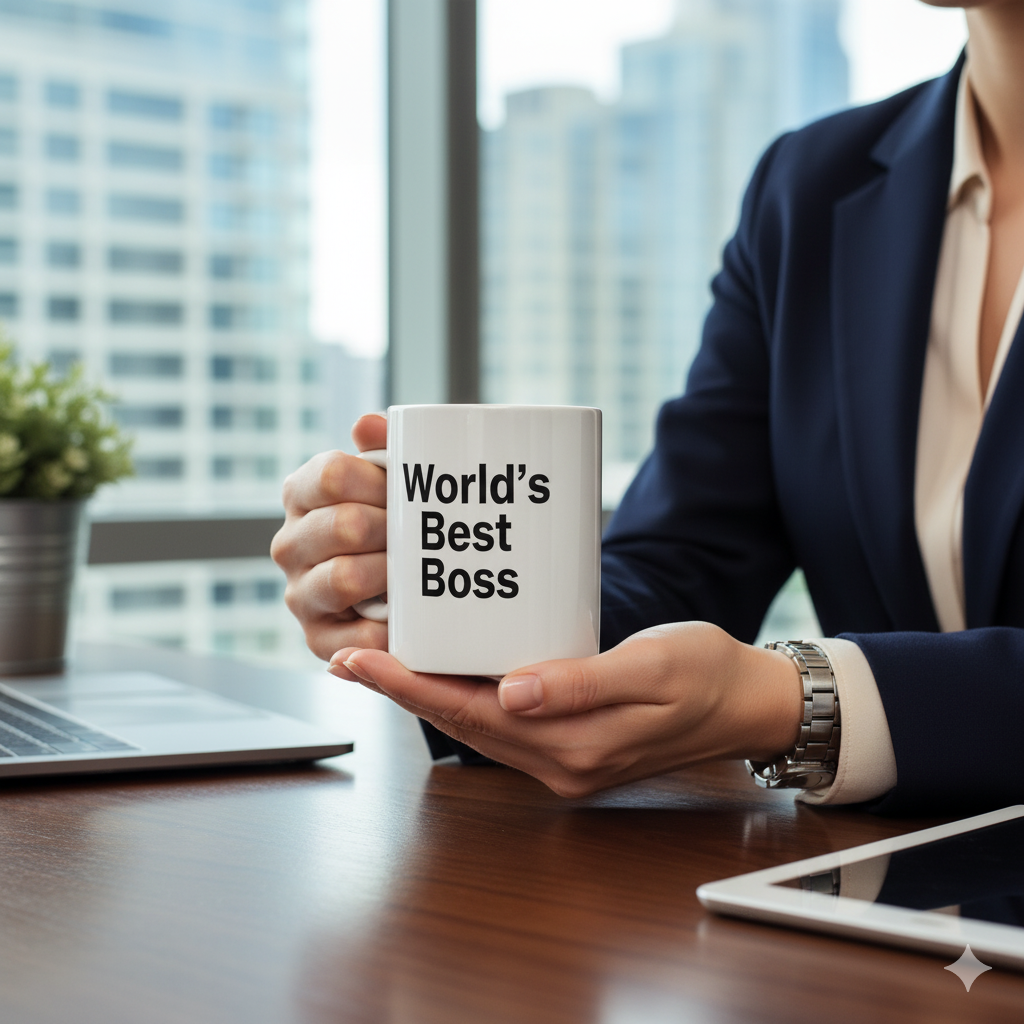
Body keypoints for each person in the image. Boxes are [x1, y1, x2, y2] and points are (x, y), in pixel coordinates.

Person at [272, 0, 1024, 813]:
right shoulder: (812, 185)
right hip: (873, 893)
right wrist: (464, 616)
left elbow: (768, 688)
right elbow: (682, 556)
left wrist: (796, 701)